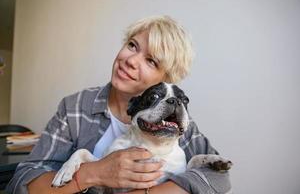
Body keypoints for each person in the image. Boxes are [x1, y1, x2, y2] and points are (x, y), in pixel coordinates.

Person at [6, 15, 231, 194]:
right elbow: (23, 181)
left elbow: (220, 177)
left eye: (151, 61)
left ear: (166, 78)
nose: (131, 60)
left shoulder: (174, 121)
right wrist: (93, 174)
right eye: (132, 45)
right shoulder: (75, 108)